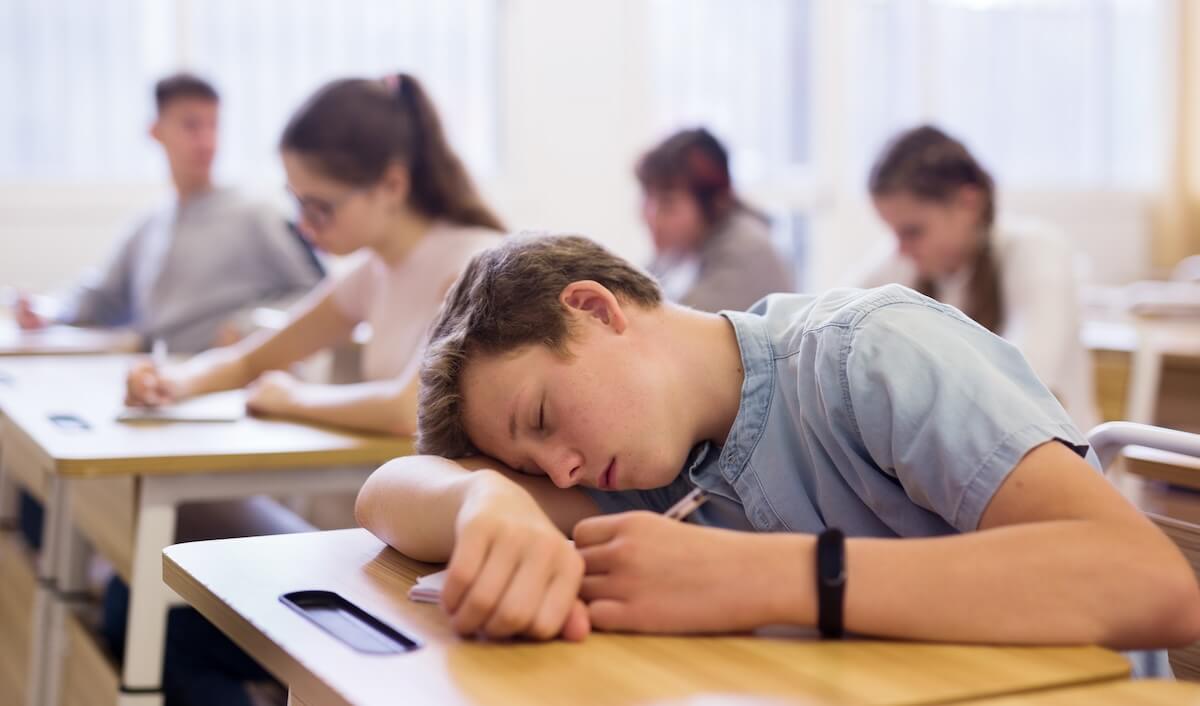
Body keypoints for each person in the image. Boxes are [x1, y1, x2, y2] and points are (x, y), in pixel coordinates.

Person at [355, 234, 1200, 665]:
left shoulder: (867, 353)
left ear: (596, 309)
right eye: (533, 468)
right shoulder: (654, 466)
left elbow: (1151, 585)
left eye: (542, 417)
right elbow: (387, 494)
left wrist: (759, 577)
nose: (562, 471)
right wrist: (485, 500)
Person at [124, 73, 504, 435]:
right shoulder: (374, 271)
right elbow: (250, 360)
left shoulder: (471, 264)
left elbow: (408, 409)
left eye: (320, 207)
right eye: (298, 203)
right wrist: (172, 382)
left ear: (391, 185)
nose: (305, 226)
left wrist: (293, 399)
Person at [13, 72, 322, 352]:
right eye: (191, 126)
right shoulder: (151, 224)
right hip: (156, 368)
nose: (206, 142)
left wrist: (249, 324)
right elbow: (102, 297)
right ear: (156, 131)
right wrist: (48, 309)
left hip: (223, 371)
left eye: (213, 125)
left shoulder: (257, 214)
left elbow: (318, 295)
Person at [855, 125, 1098, 431]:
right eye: (893, 232)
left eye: (913, 231)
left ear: (968, 203)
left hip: (1053, 460)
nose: (900, 249)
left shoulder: (1037, 250)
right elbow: (826, 320)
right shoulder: (910, 259)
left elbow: (1022, 379)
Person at [638, 128, 793, 312]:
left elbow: (670, 329)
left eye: (668, 204)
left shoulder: (747, 251)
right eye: (648, 197)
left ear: (715, 202)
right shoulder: (680, 248)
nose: (651, 216)